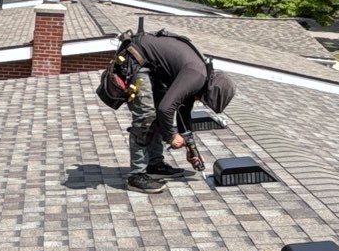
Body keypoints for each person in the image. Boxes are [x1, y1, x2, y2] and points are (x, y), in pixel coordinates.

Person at [95, 31, 237, 194]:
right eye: (204, 100)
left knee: (157, 113)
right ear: (209, 92)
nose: (199, 101)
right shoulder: (196, 76)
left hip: (149, 65)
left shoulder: (199, 76)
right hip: (136, 58)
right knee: (147, 117)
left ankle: (154, 164)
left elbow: (183, 115)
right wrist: (171, 136)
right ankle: (136, 176)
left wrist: (191, 150)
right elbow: (165, 109)